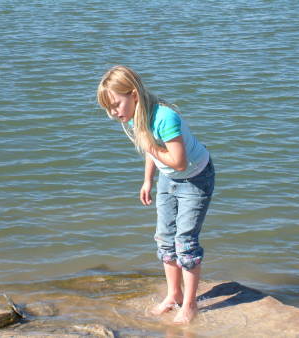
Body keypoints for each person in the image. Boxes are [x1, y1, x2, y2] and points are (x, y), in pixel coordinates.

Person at [97, 65, 215, 324]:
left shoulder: (164, 117)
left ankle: (190, 305)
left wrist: (149, 144)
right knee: (164, 239)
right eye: (108, 109)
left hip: (195, 180)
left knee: (185, 242)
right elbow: (154, 154)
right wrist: (147, 181)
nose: (114, 113)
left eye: (116, 105)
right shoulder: (135, 117)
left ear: (134, 94)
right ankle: (173, 296)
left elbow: (179, 161)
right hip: (168, 179)